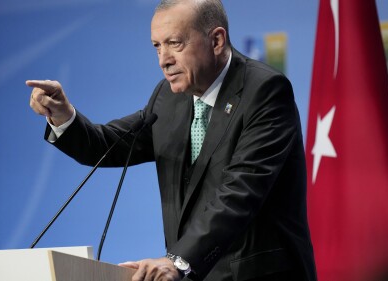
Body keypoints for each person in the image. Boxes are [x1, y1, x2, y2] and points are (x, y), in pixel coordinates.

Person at [28, 0, 316, 280]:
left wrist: (178, 261)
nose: (164, 60)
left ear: (216, 40)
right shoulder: (168, 97)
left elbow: (239, 194)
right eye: (157, 46)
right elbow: (109, 146)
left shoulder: (264, 91)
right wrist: (64, 117)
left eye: (175, 43)